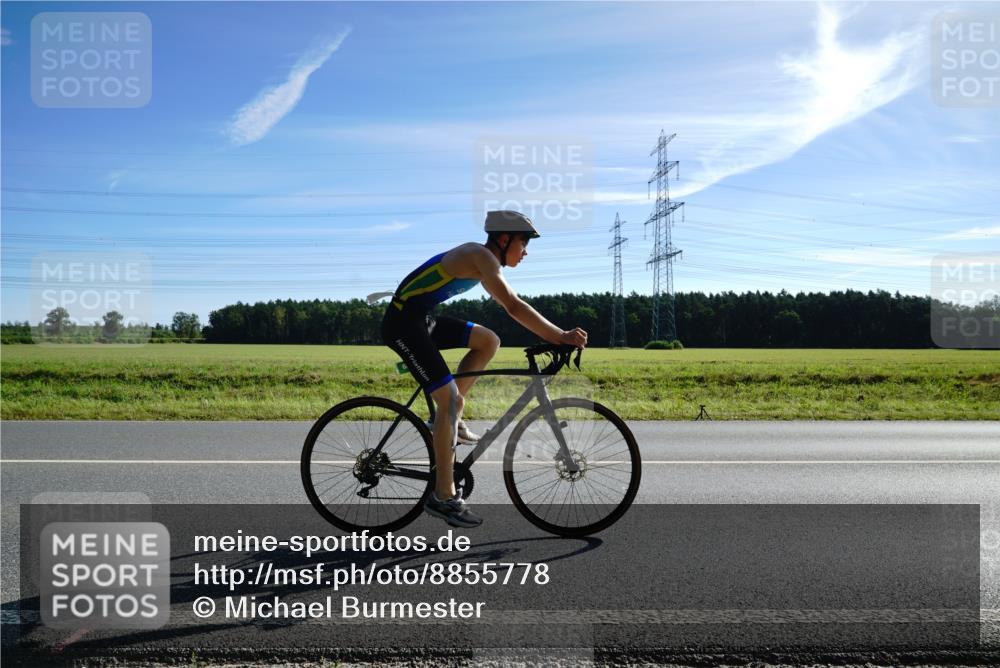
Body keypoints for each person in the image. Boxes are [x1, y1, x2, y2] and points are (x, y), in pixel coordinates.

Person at [380, 210, 588, 528]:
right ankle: (443, 497)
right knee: (451, 399)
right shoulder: (480, 257)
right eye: (523, 243)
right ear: (504, 240)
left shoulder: (483, 261)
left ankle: (445, 419)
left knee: (488, 341)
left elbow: (512, 307)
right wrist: (559, 336)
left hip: (420, 318)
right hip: (402, 324)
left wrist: (555, 338)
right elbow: (514, 306)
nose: (526, 251)